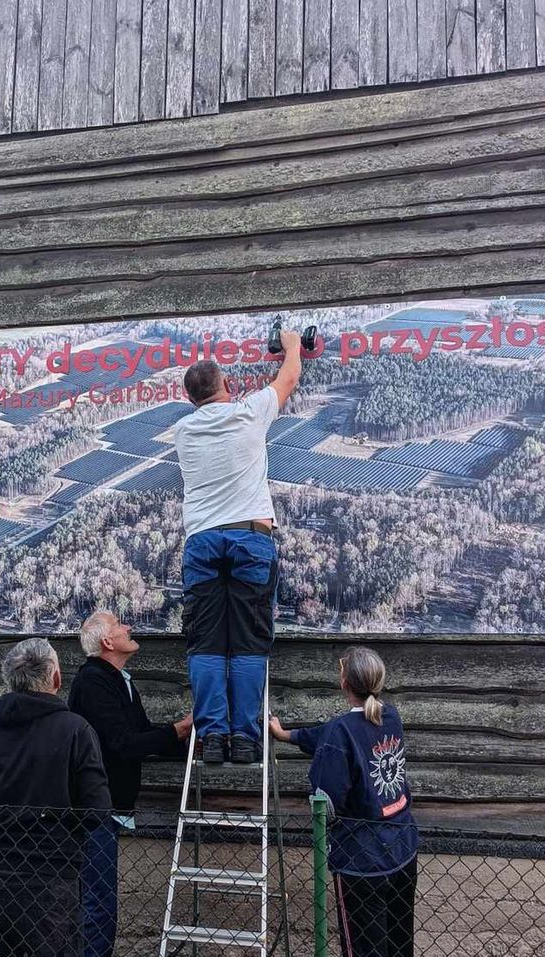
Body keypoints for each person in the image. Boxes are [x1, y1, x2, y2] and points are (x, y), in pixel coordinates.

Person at [173, 328, 303, 764]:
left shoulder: (183, 431)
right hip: (251, 537)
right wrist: (292, 345)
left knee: (207, 643)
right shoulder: (250, 412)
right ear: (227, 386)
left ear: (191, 399)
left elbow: (215, 405)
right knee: (247, 643)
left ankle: (212, 739)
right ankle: (245, 740)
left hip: (203, 540)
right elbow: (288, 378)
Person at [0, 637, 111, 957]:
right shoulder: (76, 730)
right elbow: (97, 811)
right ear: (56, 678)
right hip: (52, 878)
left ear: (9, 679)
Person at [269, 646, 419, 957]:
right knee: (399, 944)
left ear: (344, 683)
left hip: (363, 861)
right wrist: (286, 735)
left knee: (364, 949)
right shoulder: (390, 716)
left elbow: (326, 798)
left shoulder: (341, 731)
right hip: (404, 848)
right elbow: (329, 735)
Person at [68, 610, 193, 957]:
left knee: (97, 899)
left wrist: (180, 737)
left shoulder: (118, 680)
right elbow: (122, 743)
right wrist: (176, 732)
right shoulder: (94, 683)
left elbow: (141, 734)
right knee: (97, 903)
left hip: (107, 804)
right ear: (108, 642)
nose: (128, 627)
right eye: (120, 625)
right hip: (92, 808)